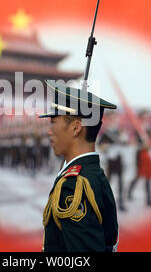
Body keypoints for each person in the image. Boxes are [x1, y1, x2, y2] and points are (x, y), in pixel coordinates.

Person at [39, 80, 119, 252]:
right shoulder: (94, 174)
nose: (49, 130)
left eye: (53, 122)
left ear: (76, 128)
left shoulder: (74, 186)